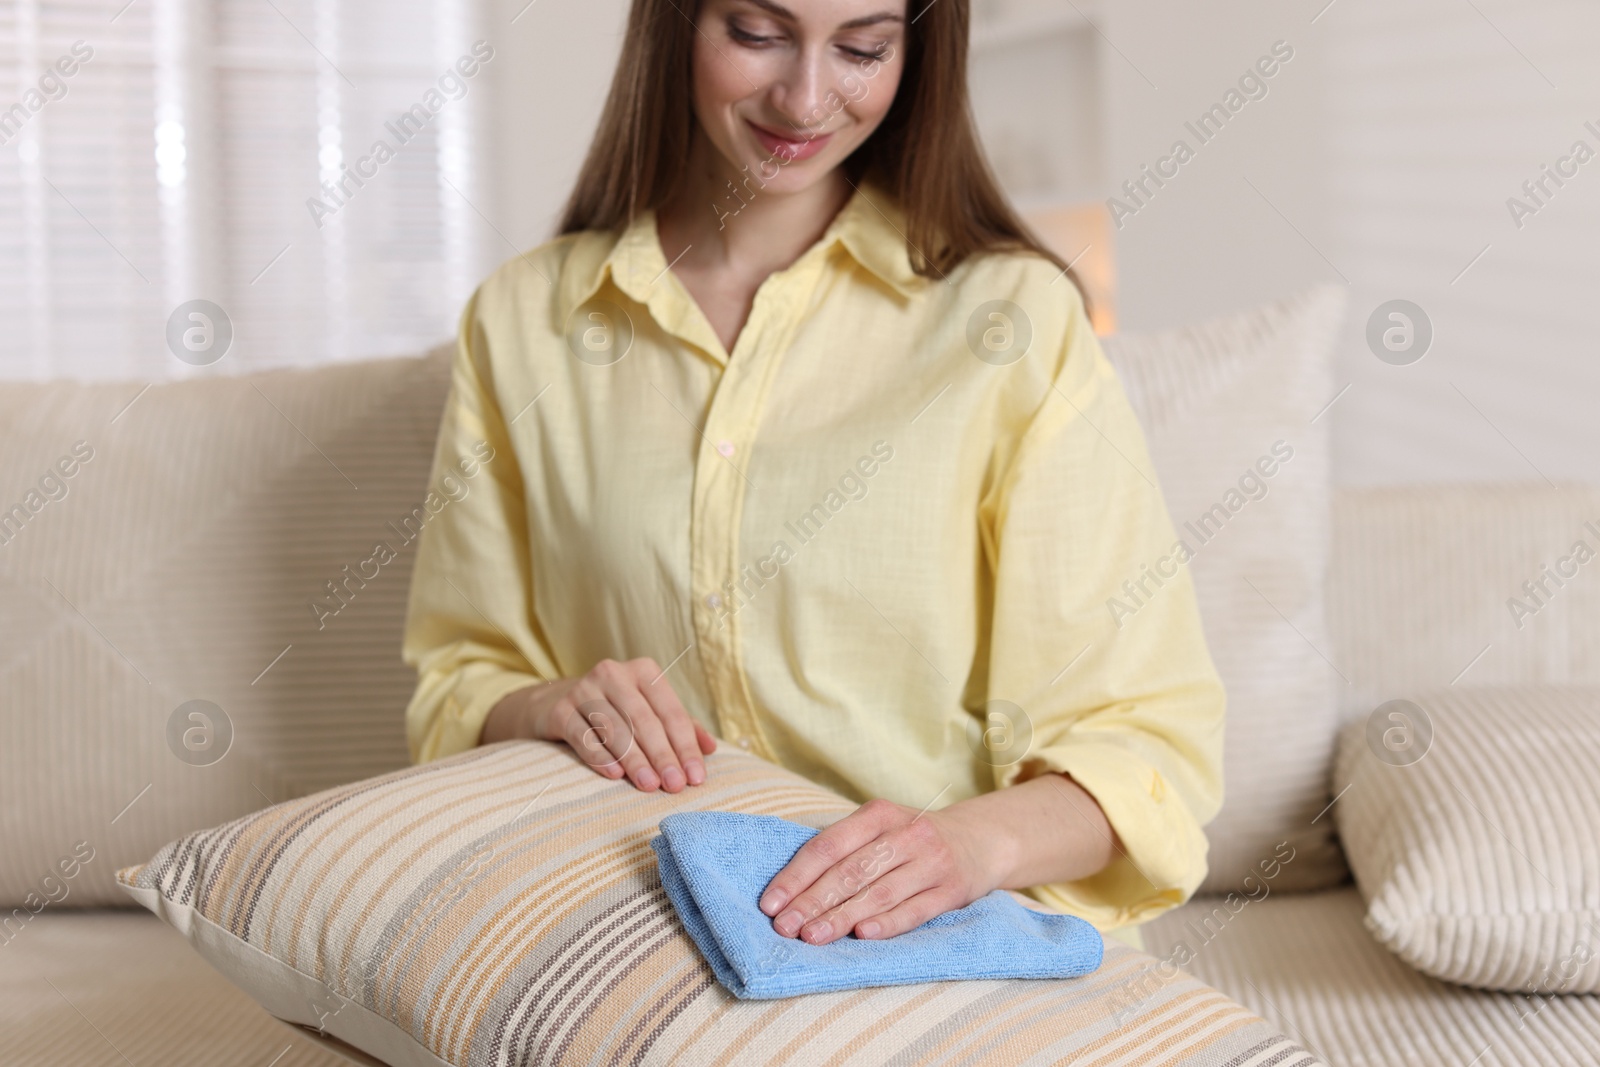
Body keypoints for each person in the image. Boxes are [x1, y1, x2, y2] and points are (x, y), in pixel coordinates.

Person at [401, 0, 1224, 953]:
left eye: (864, 49)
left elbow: (1142, 746)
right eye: (756, 34)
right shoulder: (521, 321)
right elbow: (456, 682)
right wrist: (546, 705)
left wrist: (962, 847)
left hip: (946, 944)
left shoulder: (1012, 320)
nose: (803, 99)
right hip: (644, 940)